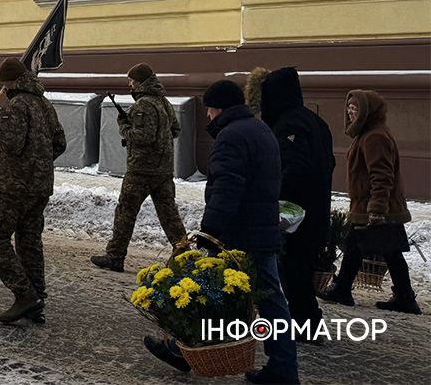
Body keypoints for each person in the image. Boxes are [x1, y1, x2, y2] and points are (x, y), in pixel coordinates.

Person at [144, 80, 299, 384]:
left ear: (221, 107)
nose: (208, 117)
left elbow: (227, 189)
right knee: (269, 299)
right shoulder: (261, 130)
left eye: (210, 109)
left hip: (239, 232)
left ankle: (181, 350)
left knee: (209, 289)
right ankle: (283, 365)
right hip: (262, 229)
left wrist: (209, 230)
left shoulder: (231, 136)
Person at [317, 90, 420, 314]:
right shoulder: (368, 133)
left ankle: (348, 289)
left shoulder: (375, 136)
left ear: (367, 112)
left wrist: (377, 208)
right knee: (362, 247)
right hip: (369, 206)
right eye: (349, 109)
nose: (351, 113)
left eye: (355, 109)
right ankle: (348, 289)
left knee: (379, 249)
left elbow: (381, 175)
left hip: (376, 208)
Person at [0, 58, 65, 325]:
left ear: (8, 82)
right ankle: (37, 300)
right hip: (40, 186)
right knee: (30, 241)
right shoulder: (45, 104)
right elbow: (60, 143)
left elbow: (11, 145)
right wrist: (39, 162)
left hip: (13, 186)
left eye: (3, 84)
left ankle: (24, 294)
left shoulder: (14, 106)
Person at [92, 63, 187, 273]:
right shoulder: (164, 102)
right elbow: (176, 129)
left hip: (141, 170)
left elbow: (142, 137)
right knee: (170, 215)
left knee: (125, 212)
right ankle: (186, 255)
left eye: (132, 81)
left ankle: (115, 256)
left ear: (140, 82)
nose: (130, 85)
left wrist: (124, 126)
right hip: (163, 170)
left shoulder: (142, 105)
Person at [260, 67, 335, 330]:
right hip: (317, 207)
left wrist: (277, 198)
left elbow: (294, 167)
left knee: (294, 270)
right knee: (299, 268)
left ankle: (306, 324)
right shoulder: (316, 121)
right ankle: (307, 321)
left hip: (296, 213)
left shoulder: (289, 123)